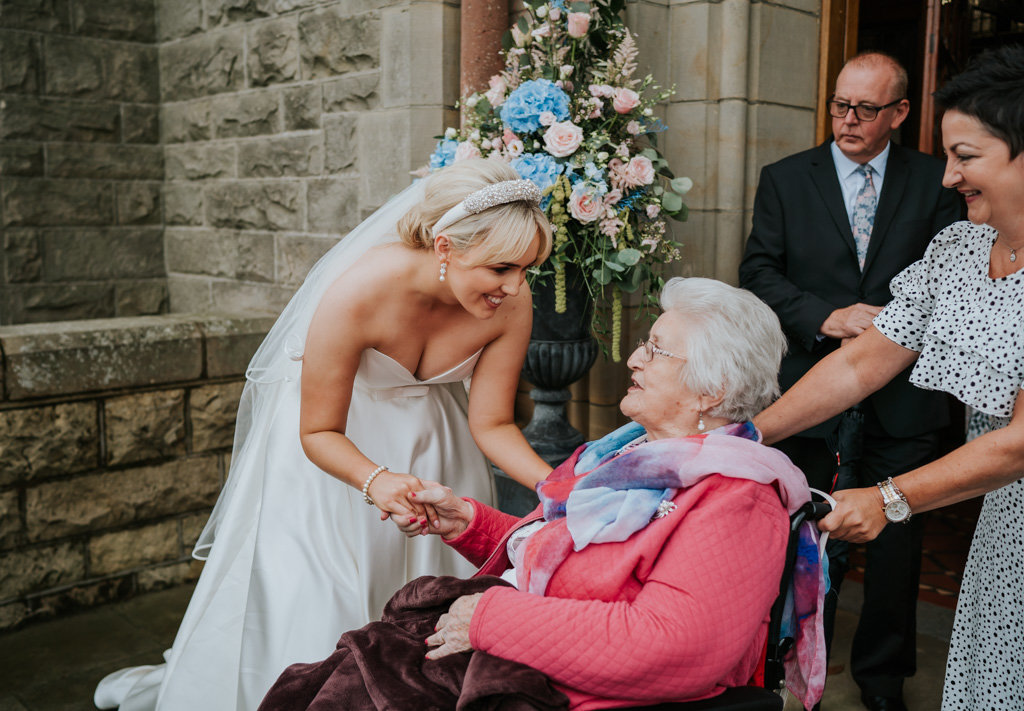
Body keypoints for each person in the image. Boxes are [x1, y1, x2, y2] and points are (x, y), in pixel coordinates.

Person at [93, 159, 555, 710]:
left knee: (428, 611)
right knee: (320, 599)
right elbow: (316, 429)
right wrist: (376, 481)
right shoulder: (358, 291)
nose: (516, 285)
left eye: (528, 269)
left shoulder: (510, 301)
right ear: (446, 247)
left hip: (438, 448)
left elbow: (493, 423)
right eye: (501, 267)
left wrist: (561, 490)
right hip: (334, 457)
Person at [258, 277, 826, 711]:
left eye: (655, 350)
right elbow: (551, 548)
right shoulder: (619, 456)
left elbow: (677, 649)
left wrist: (490, 619)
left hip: (575, 693)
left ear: (712, 389)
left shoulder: (738, 499)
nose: (632, 359)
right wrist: (466, 522)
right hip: (533, 658)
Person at [753, 45, 1024, 711]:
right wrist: (749, 431)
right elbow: (864, 359)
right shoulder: (957, 248)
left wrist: (887, 498)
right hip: (1004, 516)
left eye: (966, 156)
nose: (947, 176)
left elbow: (1020, 440)